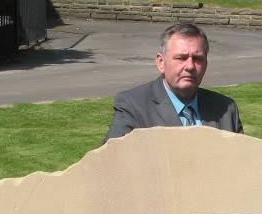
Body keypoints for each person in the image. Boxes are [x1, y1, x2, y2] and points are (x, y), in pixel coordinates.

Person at [103, 23, 243, 142]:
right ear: (161, 63)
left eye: (198, 59)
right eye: (181, 58)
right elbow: (112, 163)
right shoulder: (133, 106)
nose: (190, 66)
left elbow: (242, 164)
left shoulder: (226, 109)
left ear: (206, 64)